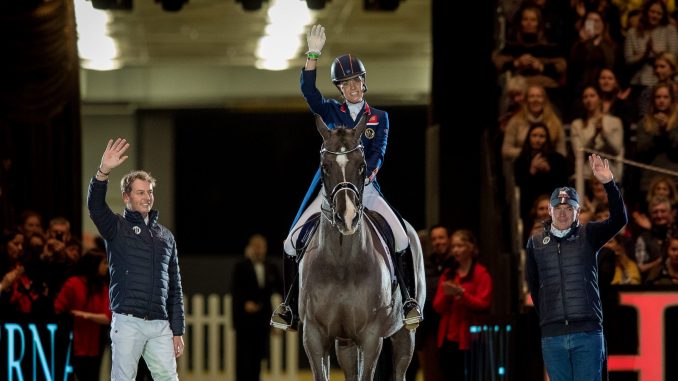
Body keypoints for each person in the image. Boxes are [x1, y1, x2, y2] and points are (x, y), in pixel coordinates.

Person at [271, 24, 422, 331]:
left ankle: (408, 300)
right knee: (290, 242)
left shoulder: (380, 117)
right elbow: (309, 94)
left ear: (364, 82)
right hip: (331, 193)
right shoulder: (330, 112)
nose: (352, 86)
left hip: (366, 190)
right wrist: (312, 55)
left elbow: (379, 149)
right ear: (340, 88)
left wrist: (372, 171)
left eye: (356, 81)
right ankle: (290, 306)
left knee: (403, 237)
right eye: (346, 83)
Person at [87, 138, 185, 381]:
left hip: (160, 324)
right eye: (140, 192)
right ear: (126, 197)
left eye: (150, 192)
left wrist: (177, 330)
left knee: (168, 378)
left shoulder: (166, 236)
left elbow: (174, 287)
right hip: (128, 321)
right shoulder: (116, 228)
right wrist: (103, 172)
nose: (147, 197)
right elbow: (95, 207)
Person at [525, 154, 627, 381]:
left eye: (568, 208)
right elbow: (533, 286)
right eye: (557, 207)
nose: (562, 212)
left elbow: (620, 219)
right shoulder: (535, 243)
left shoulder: (589, 234)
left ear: (577, 212)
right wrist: (549, 318)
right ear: (549, 211)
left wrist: (609, 184)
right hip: (552, 335)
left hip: (588, 333)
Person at [432, 229, 493, 380]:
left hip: (471, 339)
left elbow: (484, 304)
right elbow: (437, 307)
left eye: (460, 246)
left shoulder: (481, 274)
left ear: (470, 248)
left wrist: (461, 294)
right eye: (453, 247)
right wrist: (449, 295)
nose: (455, 250)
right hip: (448, 339)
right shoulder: (448, 274)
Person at [54, 249, 111, 381]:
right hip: (72, 342)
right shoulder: (73, 284)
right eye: (104, 263)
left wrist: (83, 315)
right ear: (94, 264)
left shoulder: (103, 288)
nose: (106, 267)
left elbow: (107, 318)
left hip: (95, 344)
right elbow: (58, 309)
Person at [231, 234, 282, 381]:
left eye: (261, 246)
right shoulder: (241, 266)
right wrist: (244, 304)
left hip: (262, 321)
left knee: (259, 358)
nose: (259, 249)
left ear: (265, 248)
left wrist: (278, 324)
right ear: (250, 248)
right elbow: (236, 291)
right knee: (243, 359)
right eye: (256, 246)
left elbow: (280, 295)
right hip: (244, 322)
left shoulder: (271, 267)